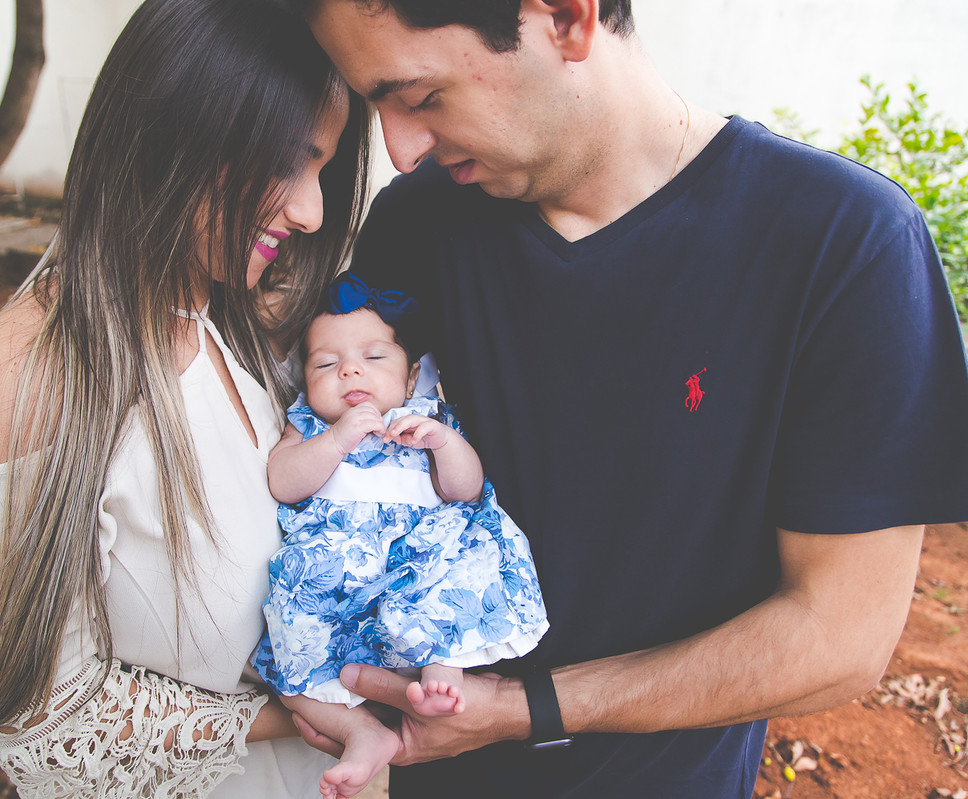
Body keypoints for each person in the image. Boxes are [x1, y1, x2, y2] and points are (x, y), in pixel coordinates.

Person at [268, 1, 968, 797]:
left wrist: (525, 709)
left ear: (568, 18)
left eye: (422, 98)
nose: (401, 148)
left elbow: (840, 634)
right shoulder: (420, 219)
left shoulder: (844, 242)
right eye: (379, 109)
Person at [0, 0, 373, 796]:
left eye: (322, 172)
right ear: (175, 124)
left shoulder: (231, 318)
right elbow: (46, 725)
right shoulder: (28, 372)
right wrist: (306, 715)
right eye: (286, 161)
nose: (311, 211)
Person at [251, 274, 549, 797]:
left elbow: (464, 491)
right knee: (290, 654)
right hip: (335, 572)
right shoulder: (308, 424)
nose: (349, 370)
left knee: (453, 576)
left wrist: (444, 444)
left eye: (373, 357)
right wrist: (337, 439)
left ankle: (442, 669)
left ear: (412, 378)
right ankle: (360, 732)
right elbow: (282, 480)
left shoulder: (427, 417)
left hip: (418, 555)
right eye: (326, 364)